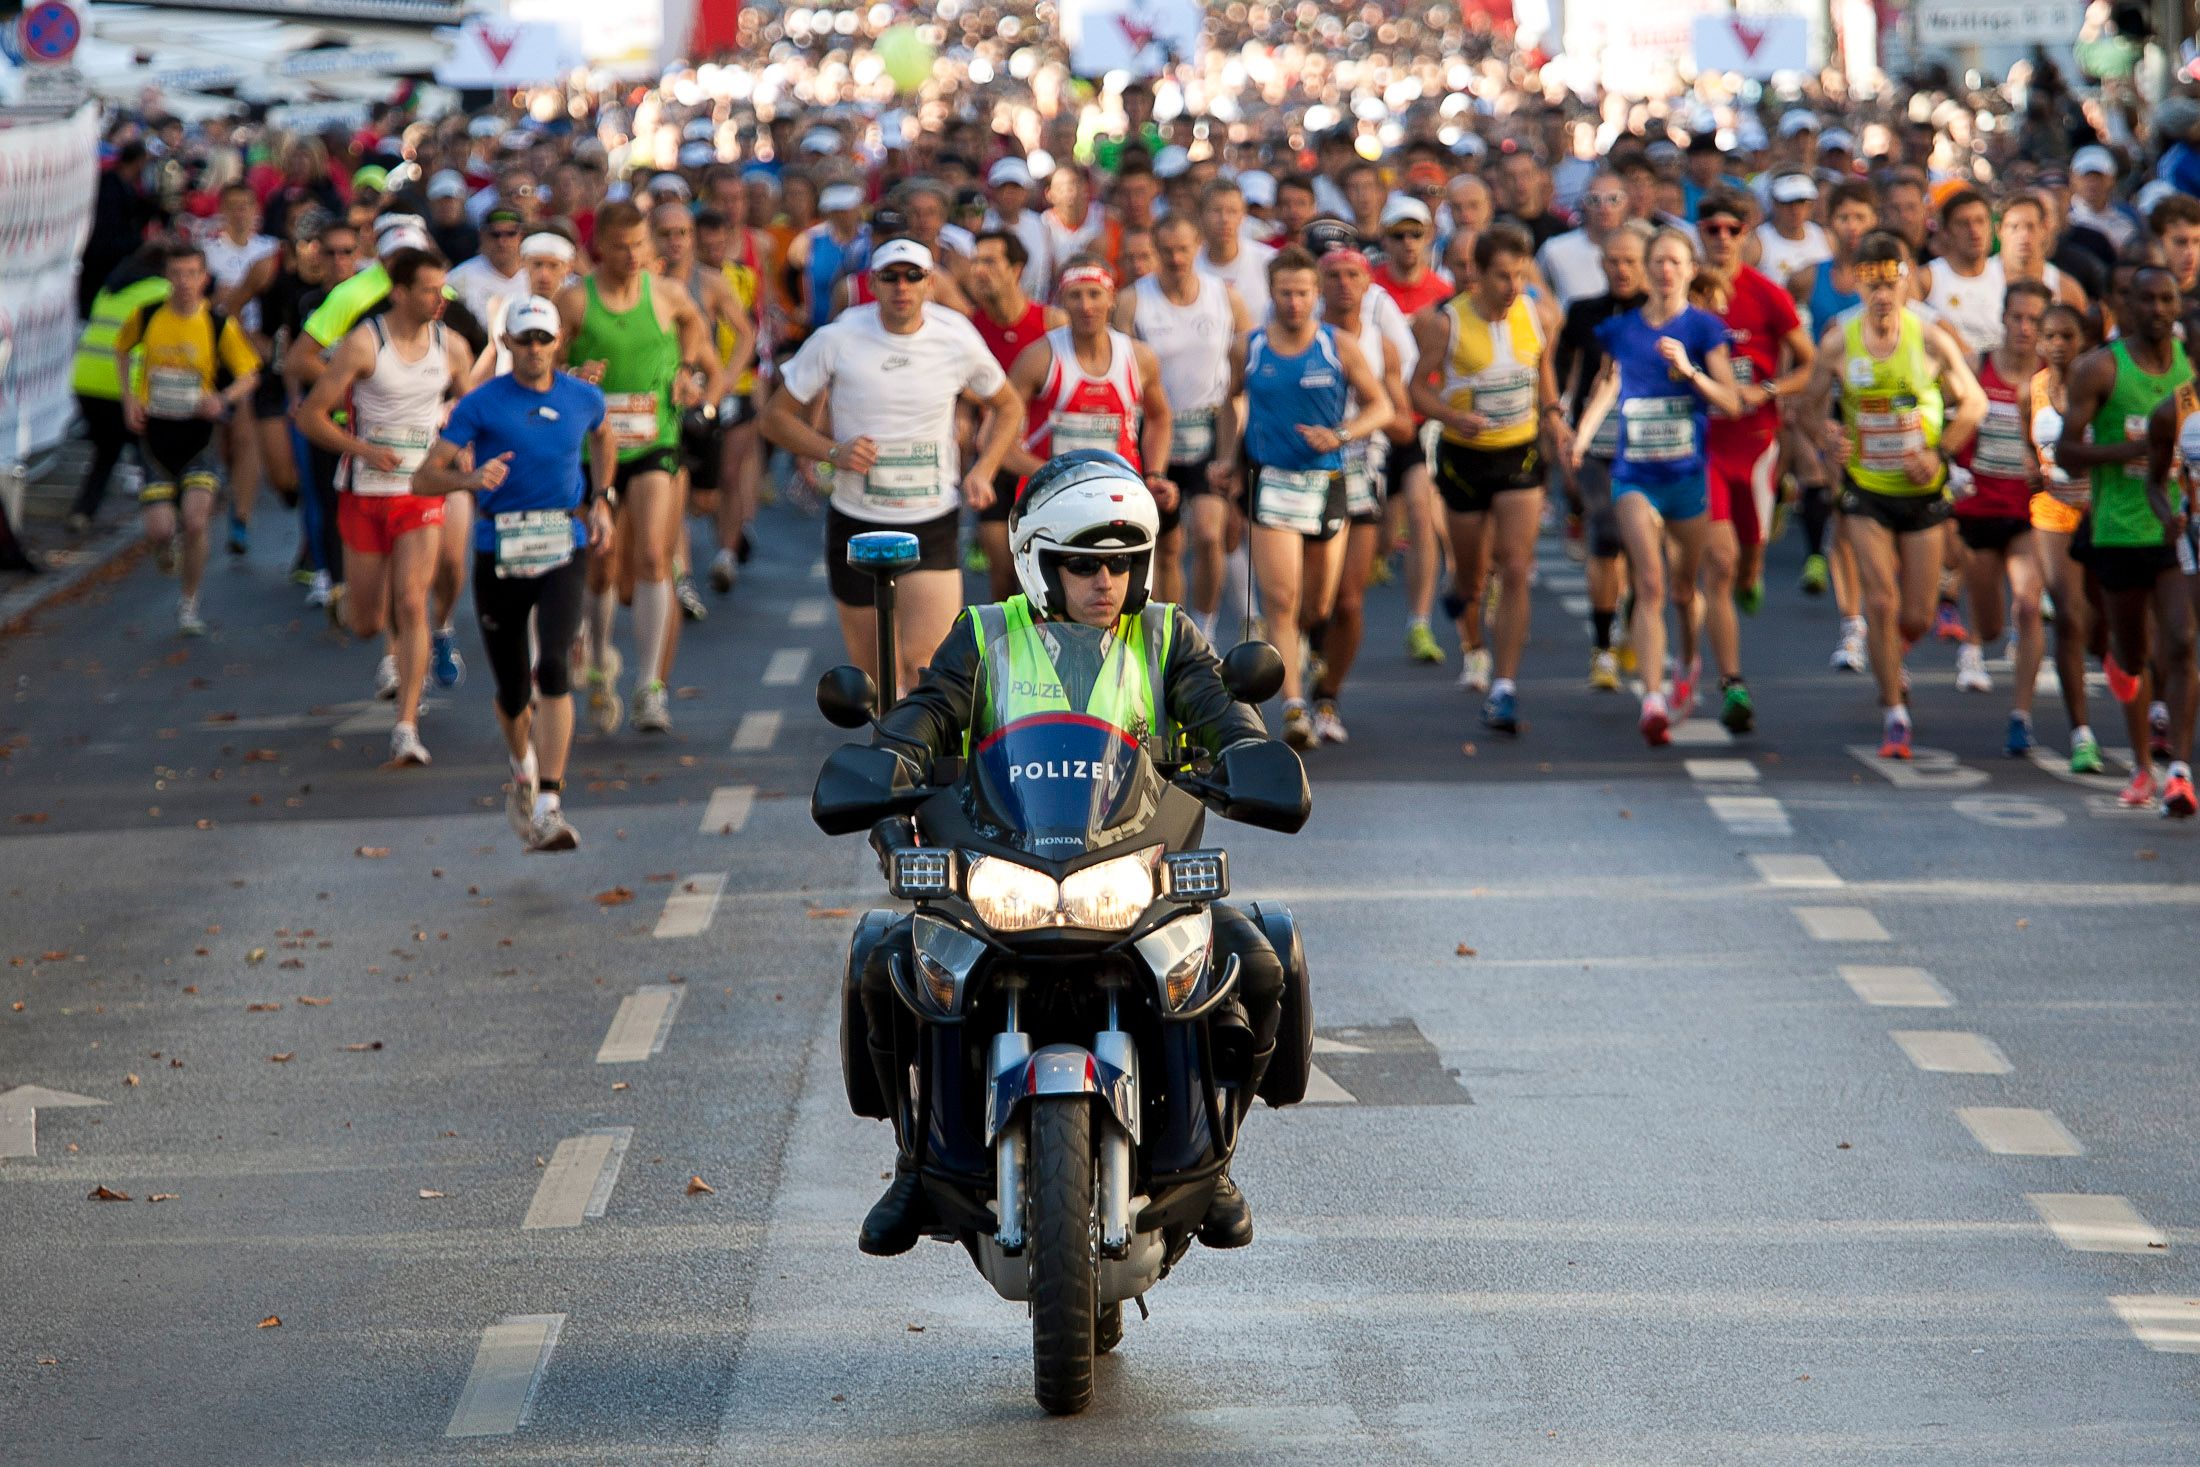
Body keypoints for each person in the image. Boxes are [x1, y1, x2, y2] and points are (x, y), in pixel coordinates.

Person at [854, 453, 1286, 1255]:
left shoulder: (1167, 636)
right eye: (1082, 563)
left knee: (1260, 962)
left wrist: (1247, 754)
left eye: (1121, 563)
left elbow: (1221, 713)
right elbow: (929, 712)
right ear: (1035, 561)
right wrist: (892, 758)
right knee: (886, 963)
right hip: (1007, 866)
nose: (1104, 581)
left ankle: (1212, 1159)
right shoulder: (984, 634)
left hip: (1136, 873)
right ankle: (916, 1163)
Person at [760, 238, 1025, 693]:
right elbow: (774, 418)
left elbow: (1009, 406)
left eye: (913, 276)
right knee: (875, 681)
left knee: (923, 667)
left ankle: (915, 762)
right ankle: (891, 756)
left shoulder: (955, 335)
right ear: (873, 284)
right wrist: (831, 451)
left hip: (931, 517)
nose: (902, 286)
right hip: (858, 521)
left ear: (930, 284)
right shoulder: (838, 337)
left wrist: (983, 469)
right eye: (890, 277)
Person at [416, 295, 618, 849]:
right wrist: (469, 479)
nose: (534, 349)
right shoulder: (480, 404)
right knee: (510, 691)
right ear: (506, 343)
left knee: (553, 666)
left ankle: (550, 802)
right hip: (500, 548)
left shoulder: (583, 397)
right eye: (523, 339)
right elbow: (423, 479)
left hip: (562, 543)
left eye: (543, 339)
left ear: (558, 344)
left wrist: (602, 498)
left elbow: (604, 435)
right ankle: (522, 766)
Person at [1800, 232, 1988, 761]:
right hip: (1866, 489)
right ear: (1857, 283)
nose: (1882, 294)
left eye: (1891, 281)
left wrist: (1942, 451)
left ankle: (1893, 652)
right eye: (1872, 282)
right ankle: (1894, 714)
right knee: (1880, 601)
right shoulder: (1839, 341)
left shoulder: (1929, 339)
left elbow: (1972, 403)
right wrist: (1826, 437)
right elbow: (1808, 408)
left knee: (1916, 617)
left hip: (1922, 493)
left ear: (1907, 279)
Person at [296, 246, 476, 767]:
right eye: (427, 289)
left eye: (442, 289)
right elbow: (311, 416)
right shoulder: (364, 343)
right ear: (400, 292)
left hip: (419, 494)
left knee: (412, 603)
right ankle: (349, 605)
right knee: (369, 623)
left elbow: (475, 408)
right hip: (364, 493)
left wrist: (461, 448)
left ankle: (407, 726)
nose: (438, 298)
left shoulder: (453, 347)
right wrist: (364, 449)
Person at [1571, 226, 1743, 746]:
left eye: (1676, 261)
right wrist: (1581, 436)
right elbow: (1609, 382)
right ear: (1647, 270)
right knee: (1649, 582)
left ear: (1691, 270)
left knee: (1685, 588)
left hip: (1686, 477)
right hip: (1635, 474)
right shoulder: (1621, 329)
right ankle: (1651, 697)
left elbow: (1732, 402)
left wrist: (1690, 373)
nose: (1666, 270)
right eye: (1659, 262)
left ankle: (1688, 660)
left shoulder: (1705, 328)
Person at [557, 200, 722, 736]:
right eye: (621, 247)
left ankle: (651, 686)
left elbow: (694, 324)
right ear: (598, 247)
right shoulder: (575, 300)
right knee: (602, 565)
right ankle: (602, 655)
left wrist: (688, 370)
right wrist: (572, 374)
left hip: (657, 440)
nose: (631, 256)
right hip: (595, 449)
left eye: (639, 246)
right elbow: (542, 363)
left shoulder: (667, 294)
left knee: (654, 555)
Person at [1218, 245, 1390, 749]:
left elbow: (1381, 407)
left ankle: (1308, 661)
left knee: (1318, 604)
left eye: (1302, 293)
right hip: (1271, 481)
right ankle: (1293, 705)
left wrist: (1339, 435)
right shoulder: (1248, 347)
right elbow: (1229, 399)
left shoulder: (1339, 346)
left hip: (1327, 484)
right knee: (1282, 600)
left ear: (1316, 295)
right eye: (1285, 293)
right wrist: (1229, 456)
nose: (1294, 303)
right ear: (1270, 294)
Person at [1412, 223, 1569, 733]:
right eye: (1502, 276)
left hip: (1519, 457)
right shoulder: (1445, 323)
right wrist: (1453, 417)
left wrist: (1554, 417)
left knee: (1516, 567)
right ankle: (1466, 614)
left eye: (1520, 275)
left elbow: (1543, 375)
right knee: (1473, 575)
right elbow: (1417, 391)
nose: (1513, 287)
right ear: (1476, 275)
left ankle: (1504, 685)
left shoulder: (1539, 314)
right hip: (1464, 460)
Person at [2060, 262, 2194, 810]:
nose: (2159, 310)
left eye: (2168, 300)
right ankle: (2142, 765)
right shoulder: (2099, 370)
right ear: (2128, 307)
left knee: (2183, 642)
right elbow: (2067, 456)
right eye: (2148, 301)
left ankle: (2180, 770)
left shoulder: (2190, 366)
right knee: (2133, 657)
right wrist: (2132, 452)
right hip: (2116, 531)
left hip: (2177, 531)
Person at [1695, 191, 1815, 732]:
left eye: (1730, 229)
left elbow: (1808, 364)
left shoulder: (1767, 294)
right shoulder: (1688, 296)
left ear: (1746, 234)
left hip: (1757, 444)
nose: (1721, 238)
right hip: (1705, 446)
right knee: (1716, 565)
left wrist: (1767, 390)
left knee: (1747, 557)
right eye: (1711, 228)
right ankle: (1733, 682)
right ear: (1700, 233)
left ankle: (1754, 569)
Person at [114, 243, 263, 637]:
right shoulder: (147, 317)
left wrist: (221, 399)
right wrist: (130, 399)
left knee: (195, 521)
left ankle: (189, 603)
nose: (183, 283)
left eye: (191, 274)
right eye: (176, 274)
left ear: (203, 278)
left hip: (199, 438)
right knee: (161, 529)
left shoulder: (217, 324)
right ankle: (165, 548)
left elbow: (250, 373)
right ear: (167, 278)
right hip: (156, 436)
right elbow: (121, 349)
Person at [1117, 214, 1251, 639]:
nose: (1176, 258)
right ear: (1154, 251)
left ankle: (1206, 629)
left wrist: (1238, 440)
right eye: (1166, 250)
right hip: (1155, 429)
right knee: (1167, 545)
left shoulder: (1225, 297)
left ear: (1197, 246)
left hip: (1209, 425)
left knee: (1210, 535)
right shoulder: (1133, 301)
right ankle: (1173, 634)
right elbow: (1119, 370)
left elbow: (1249, 363)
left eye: (1183, 248)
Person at [1308, 234, 1411, 744]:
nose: (1345, 285)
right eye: (1334, 276)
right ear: (1318, 286)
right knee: (1311, 603)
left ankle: (1327, 695)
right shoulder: (1299, 336)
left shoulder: (1381, 345)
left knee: (1348, 602)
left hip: (1361, 478)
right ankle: (1303, 661)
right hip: (1303, 475)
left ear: (1369, 284)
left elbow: (1403, 425)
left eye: (1354, 276)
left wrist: (1365, 411)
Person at [1004, 255, 1176, 559]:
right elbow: (998, 441)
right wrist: (1055, 473)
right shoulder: (1038, 358)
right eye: (1075, 295)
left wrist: (1155, 474)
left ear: (1112, 298)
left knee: (1128, 591)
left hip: (1118, 497)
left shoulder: (1139, 358)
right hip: (1052, 499)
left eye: (1094, 294)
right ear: (1061, 301)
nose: (1086, 306)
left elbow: (1160, 417)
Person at [1951, 281, 2052, 758]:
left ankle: (2021, 716)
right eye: (2018, 317)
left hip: (2029, 513)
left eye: (2036, 320)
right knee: (1990, 625)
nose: (2025, 328)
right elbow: (1942, 414)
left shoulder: (2054, 379)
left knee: (2029, 607)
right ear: (2004, 318)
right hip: (1977, 509)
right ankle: (1979, 637)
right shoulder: (1976, 367)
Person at [1554, 222, 1651, 691]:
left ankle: (1632, 624)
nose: (1622, 269)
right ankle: (1602, 647)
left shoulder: (1662, 314)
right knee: (1607, 533)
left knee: (1641, 545)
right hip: (1595, 441)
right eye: (1614, 260)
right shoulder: (1584, 311)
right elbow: (1558, 367)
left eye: (1631, 260)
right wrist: (1557, 418)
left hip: (1649, 443)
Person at [1369, 197, 1456, 665]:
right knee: (1381, 538)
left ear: (1428, 238)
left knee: (1423, 515)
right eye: (1397, 235)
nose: (1407, 244)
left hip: (1420, 423)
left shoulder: (1443, 291)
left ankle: (1419, 623)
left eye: (1415, 234)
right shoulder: (1367, 288)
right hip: (1372, 423)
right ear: (1383, 240)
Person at [2022, 301, 2105, 773]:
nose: (2057, 345)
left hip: (2101, 511)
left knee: (2100, 626)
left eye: (2067, 337)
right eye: (2049, 336)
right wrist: (2032, 468)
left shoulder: (2099, 387)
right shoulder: (2032, 389)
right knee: (2069, 615)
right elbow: (2026, 439)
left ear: (2084, 341)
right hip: (2052, 511)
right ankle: (2082, 734)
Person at [968, 229, 1067, 600]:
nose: (979, 270)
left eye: (990, 262)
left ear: (1017, 269)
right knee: (1004, 578)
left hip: (1042, 460)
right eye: (976, 261)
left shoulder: (1052, 324)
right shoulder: (969, 329)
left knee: (1048, 580)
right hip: (994, 461)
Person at [69, 244, 171, 532]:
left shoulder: (109, 288)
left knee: (106, 450)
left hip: (86, 380)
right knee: (148, 452)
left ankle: (82, 512)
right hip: (124, 384)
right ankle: (163, 519)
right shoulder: (161, 291)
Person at [203, 183, 281, 556]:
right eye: (232, 206)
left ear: (255, 210)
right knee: (226, 439)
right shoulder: (209, 252)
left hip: (250, 353)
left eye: (246, 205)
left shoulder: (268, 250)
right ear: (221, 210)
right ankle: (223, 484)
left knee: (246, 435)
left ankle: (241, 516)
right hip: (213, 352)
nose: (239, 213)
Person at [1753, 173, 1831, 284]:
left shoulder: (1826, 238)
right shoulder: (1758, 243)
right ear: (1775, 204)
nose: (1795, 210)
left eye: (1801, 202)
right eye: (1788, 202)